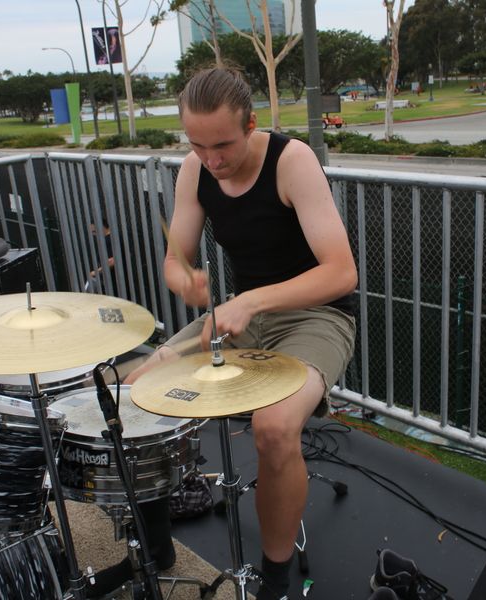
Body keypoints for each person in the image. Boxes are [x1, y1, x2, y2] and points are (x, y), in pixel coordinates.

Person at [125, 67, 357, 599]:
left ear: (251, 125)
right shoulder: (195, 170)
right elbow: (175, 258)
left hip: (317, 315)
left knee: (273, 428)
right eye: (198, 145)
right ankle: (156, 545)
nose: (211, 159)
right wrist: (183, 279)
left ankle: (274, 578)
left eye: (222, 145)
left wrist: (250, 299)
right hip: (241, 316)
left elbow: (342, 273)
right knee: (136, 390)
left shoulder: (292, 161)